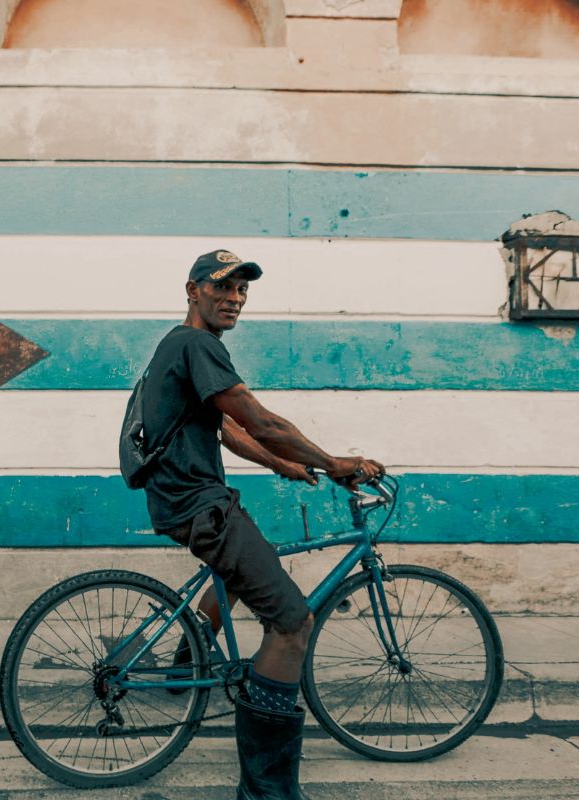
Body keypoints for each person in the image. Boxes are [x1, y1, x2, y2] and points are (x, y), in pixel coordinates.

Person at [138, 249, 384, 800]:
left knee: (255, 561)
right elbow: (259, 418)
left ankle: (191, 647)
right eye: (223, 287)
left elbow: (227, 430)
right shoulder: (197, 345)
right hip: (200, 505)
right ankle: (265, 791)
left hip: (193, 501)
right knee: (293, 623)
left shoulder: (177, 349)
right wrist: (332, 461)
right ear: (192, 289)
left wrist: (283, 465)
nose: (235, 299)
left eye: (243, 290)